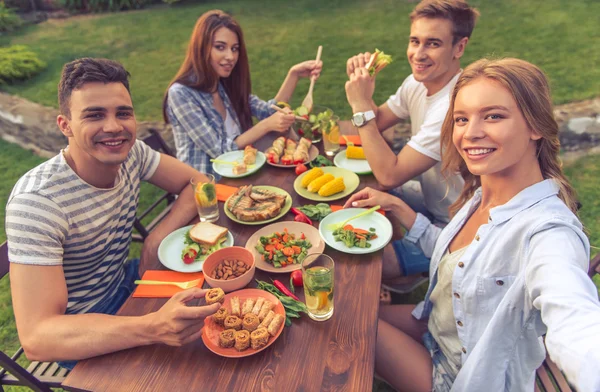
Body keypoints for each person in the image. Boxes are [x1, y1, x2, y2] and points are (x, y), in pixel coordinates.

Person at [344, 58, 600, 391]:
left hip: (458, 376)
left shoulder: (548, 232)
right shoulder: (482, 191)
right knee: (348, 312)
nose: (470, 133)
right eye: (461, 119)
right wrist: (400, 209)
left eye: (493, 116)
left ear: (535, 126)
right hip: (433, 329)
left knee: (349, 330)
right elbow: (462, 260)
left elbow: (572, 312)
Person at [5, 58, 221, 368]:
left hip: (128, 281)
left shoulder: (132, 152)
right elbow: (39, 338)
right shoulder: (37, 202)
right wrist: (154, 327)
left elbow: (198, 183)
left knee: (224, 308)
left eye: (123, 113)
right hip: (82, 333)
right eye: (94, 115)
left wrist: (156, 239)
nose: (113, 127)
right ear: (64, 125)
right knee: (191, 370)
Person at [344, 0, 479, 292]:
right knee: (357, 195)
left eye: (433, 44)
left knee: (366, 262)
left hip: (458, 226)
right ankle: (412, 264)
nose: (418, 54)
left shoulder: (452, 105)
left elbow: (388, 174)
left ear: (459, 47)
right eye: (414, 41)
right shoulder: (417, 82)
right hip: (434, 198)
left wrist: (359, 105)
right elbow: (376, 123)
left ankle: (416, 265)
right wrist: (365, 88)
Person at [163, 9, 322, 178]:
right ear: (201, 48)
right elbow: (220, 151)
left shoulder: (224, 84)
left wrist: (294, 75)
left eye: (235, 49)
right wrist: (267, 125)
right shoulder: (181, 94)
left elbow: (269, 111)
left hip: (242, 174)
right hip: (206, 188)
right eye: (220, 47)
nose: (230, 56)